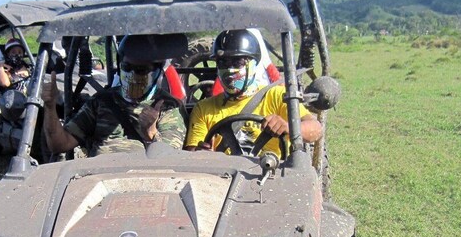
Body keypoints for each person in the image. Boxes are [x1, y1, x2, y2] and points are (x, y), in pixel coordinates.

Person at [41, 34, 186, 156]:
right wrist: (50, 106)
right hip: (98, 179)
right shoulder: (100, 101)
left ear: (157, 72)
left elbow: (170, 161)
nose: (132, 75)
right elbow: (59, 145)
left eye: (141, 70)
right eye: (127, 68)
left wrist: (150, 132)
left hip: (146, 181)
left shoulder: (168, 107)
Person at [184, 29, 322, 155]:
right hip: (220, 179)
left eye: (237, 62)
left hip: (271, 176)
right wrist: (201, 154)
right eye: (223, 63)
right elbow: (192, 155)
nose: (230, 70)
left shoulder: (276, 96)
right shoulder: (203, 108)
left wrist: (288, 127)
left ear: (254, 64)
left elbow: (315, 129)